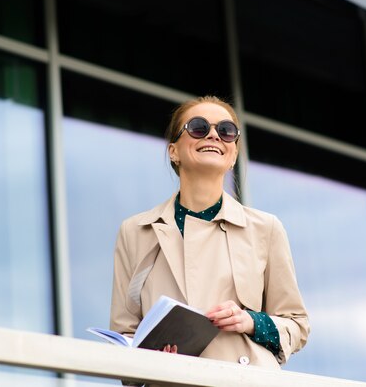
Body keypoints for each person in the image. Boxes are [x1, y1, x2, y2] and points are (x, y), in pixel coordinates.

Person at [110, 96, 309, 369]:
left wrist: (251, 321)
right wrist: (149, 359)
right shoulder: (135, 232)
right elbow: (125, 333)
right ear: (173, 151)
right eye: (198, 127)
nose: (214, 135)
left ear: (233, 155)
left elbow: (297, 326)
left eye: (226, 131)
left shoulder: (266, 228)